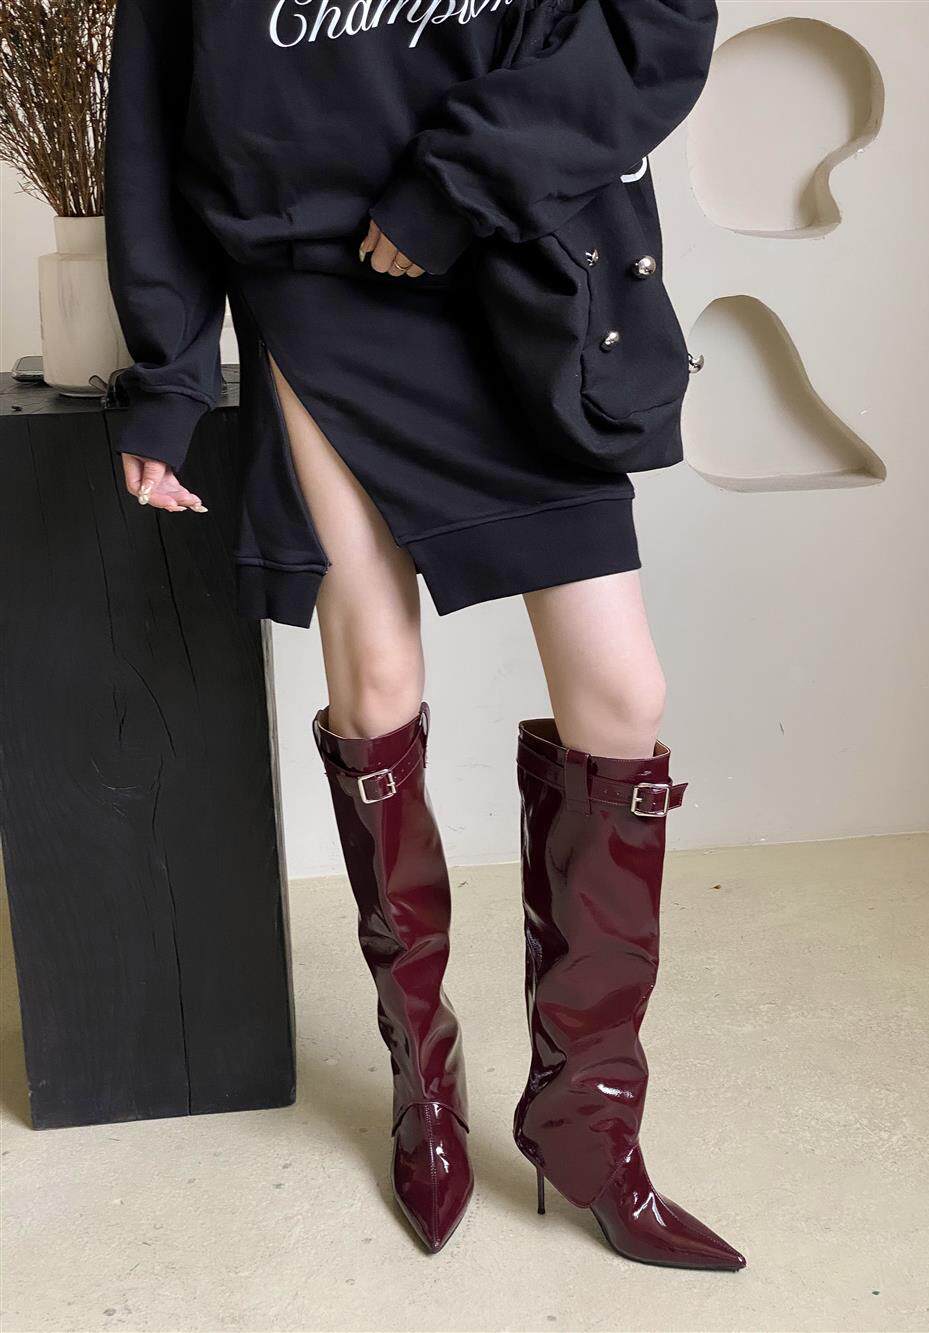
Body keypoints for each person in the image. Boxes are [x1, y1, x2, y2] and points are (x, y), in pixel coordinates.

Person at [104, 0, 745, 1269]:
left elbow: (656, 29)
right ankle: (424, 1076)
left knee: (621, 695)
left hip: (514, 267)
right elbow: (151, 123)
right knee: (376, 678)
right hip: (312, 286)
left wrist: (456, 183)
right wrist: (170, 376)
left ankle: (584, 1120)